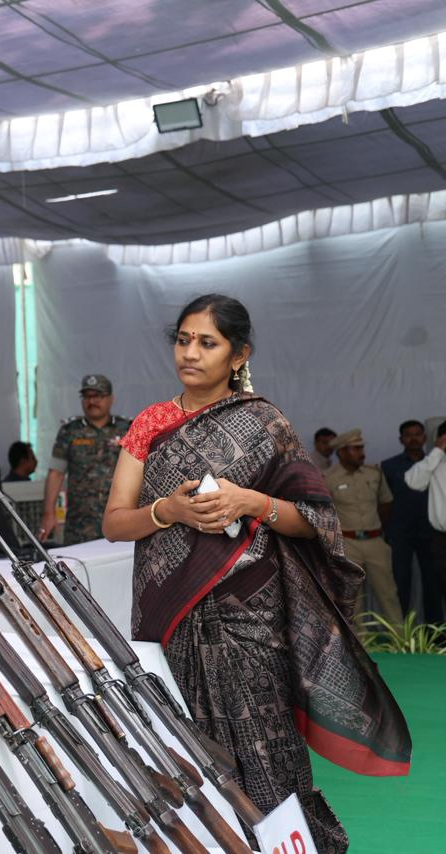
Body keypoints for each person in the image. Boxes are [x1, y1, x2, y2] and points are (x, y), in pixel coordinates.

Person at [101, 294, 409, 851]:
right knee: (184, 745)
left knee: (265, 745)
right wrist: (166, 511)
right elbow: (115, 523)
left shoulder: (266, 423)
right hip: (171, 617)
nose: (191, 353)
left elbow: (314, 521)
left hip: (250, 618)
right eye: (183, 339)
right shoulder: (151, 423)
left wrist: (251, 501)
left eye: (208, 342)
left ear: (238, 355)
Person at [39, 374, 130, 544]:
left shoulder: (127, 429)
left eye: (98, 396)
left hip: (120, 521)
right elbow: (56, 473)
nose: (92, 401)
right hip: (80, 526)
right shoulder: (69, 431)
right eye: (87, 396)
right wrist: (49, 514)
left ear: (111, 398)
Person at [325, 430, 403, 624]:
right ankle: (361, 645)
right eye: (356, 449)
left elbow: (386, 503)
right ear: (342, 452)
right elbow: (325, 512)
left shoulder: (374, 473)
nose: (362, 453)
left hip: (375, 541)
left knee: (388, 594)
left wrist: (375, 528)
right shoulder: (328, 478)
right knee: (353, 598)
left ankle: (401, 641)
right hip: (348, 543)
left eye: (362, 448)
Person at [381, 420, 440, 622]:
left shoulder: (437, 463)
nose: (414, 438)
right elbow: (383, 501)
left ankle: (435, 637)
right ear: (401, 439)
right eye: (409, 434)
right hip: (400, 533)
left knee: (433, 585)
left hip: (431, 533)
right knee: (401, 584)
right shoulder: (388, 466)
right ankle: (403, 635)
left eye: (417, 434)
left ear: (424, 438)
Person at [405, 421, 446, 621]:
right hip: (441, 540)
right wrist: (437, 452)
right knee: (439, 589)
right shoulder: (434, 463)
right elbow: (413, 481)